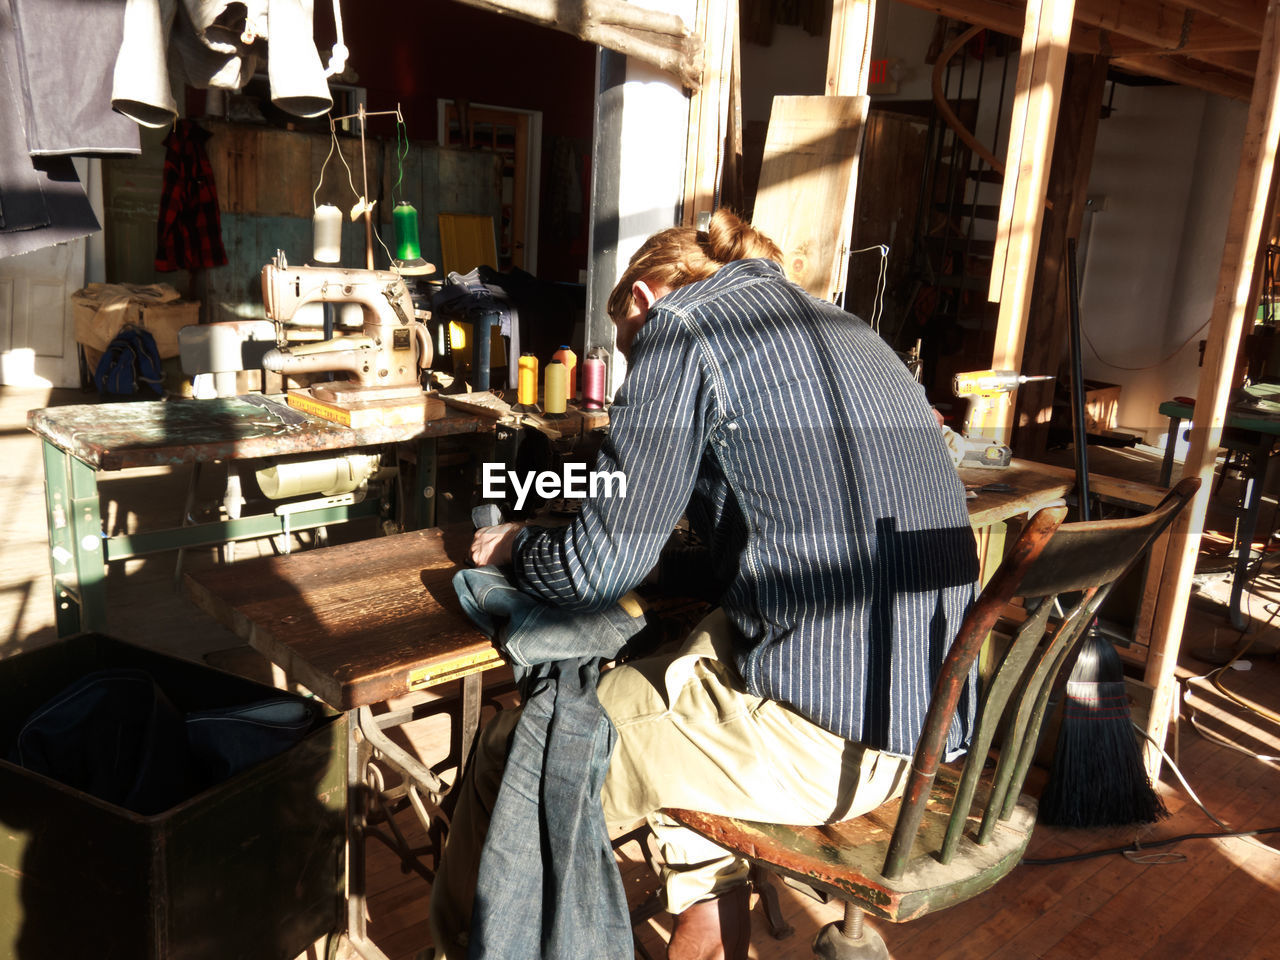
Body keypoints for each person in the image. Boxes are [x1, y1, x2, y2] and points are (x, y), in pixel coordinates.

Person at [431, 209, 979, 960]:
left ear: (644, 303)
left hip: (825, 747)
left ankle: (460, 948)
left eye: (629, 352)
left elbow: (595, 572)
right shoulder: (846, 330)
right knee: (671, 666)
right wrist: (654, 548)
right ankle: (707, 913)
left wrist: (521, 544)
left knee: (517, 745)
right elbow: (775, 526)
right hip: (928, 727)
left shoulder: (681, 328)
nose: (634, 372)